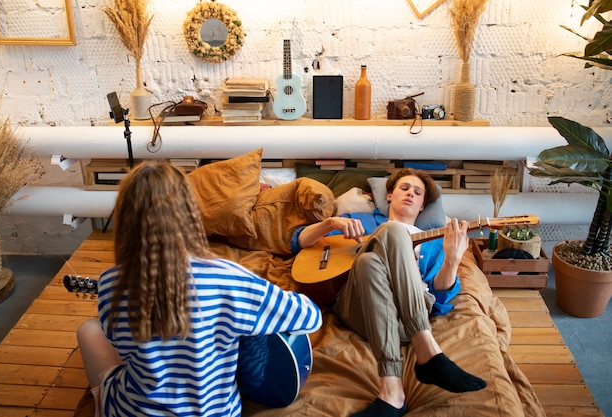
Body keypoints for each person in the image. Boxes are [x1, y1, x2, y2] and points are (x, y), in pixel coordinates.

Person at [76, 161, 322, 417]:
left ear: (125, 218)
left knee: (88, 330)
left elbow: (121, 347)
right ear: (188, 213)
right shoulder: (226, 278)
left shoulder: (109, 284)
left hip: (133, 410)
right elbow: (311, 317)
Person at [290, 168, 487, 417]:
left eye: (417, 193)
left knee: (367, 263)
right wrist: (330, 223)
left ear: (422, 206)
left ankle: (392, 394)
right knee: (391, 232)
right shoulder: (361, 221)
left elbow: (441, 301)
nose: (410, 195)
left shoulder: (437, 242)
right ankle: (428, 353)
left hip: (405, 322)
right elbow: (299, 242)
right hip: (359, 309)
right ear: (390, 196)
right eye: (404, 188)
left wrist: (453, 259)